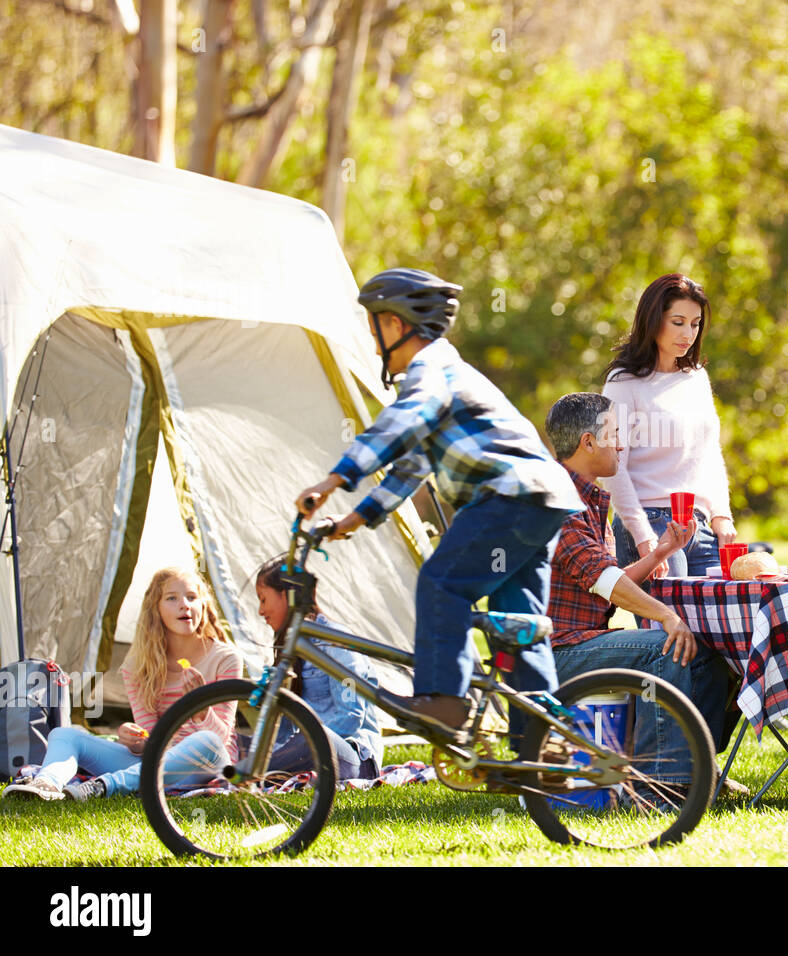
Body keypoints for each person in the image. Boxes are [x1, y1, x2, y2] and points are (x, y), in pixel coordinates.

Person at [295, 268, 582, 744]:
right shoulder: (450, 373)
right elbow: (412, 465)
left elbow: (405, 421)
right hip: (540, 501)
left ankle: (445, 701)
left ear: (396, 324)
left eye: (374, 327)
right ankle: (542, 739)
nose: (372, 341)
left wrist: (334, 479)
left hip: (507, 497)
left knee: (441, 583)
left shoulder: (431, 370)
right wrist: (353, 519)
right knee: (517, 625)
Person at [542, 392, 733, 768]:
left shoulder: (589, 497)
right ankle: (660, 782)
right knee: (663, 645)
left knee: (711, 657)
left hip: (585, 640)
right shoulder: (557, 500)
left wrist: (660, 553)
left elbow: (604, 583)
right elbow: (604, 579)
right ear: (588, 442)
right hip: (557, 650)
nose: (622, 444)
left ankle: (698, 770)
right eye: (615, 433)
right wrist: (665, 615)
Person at [3, 568, 241, 801]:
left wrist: (201, 712)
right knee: (66, 734)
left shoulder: (226, 658)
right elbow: (153, 740)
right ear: (155, 609)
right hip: (158, 766)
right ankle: (47, 784)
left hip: (209, 763)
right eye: (172, 598)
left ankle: (103, 786)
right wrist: (137, 743)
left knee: (205, 741)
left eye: (192, 597)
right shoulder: (138, 665)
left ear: (203, 606)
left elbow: (220, 738)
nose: (185, 605)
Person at [602, 274, 735, 579]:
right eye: (678, 321)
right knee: (670, 627)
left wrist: (721, 514)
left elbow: (710, 455)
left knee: (716, 625)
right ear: (653, 320)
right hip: (651, 522)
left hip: (700, 527)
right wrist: (643, 536)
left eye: (695, 323)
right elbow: (613, 468)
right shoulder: (623, 381)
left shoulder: (696, 377)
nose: (688, 333)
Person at [254, 558, 384, 780]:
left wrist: (299, 742)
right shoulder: (289, 651)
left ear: (286, 595)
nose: (260, 610)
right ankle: (257, 767)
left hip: (353, 759)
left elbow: (351, 716)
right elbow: (282, 729)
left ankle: (254, 771)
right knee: (242, 741)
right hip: (310, 756)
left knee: (310, 734)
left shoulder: (336, 644)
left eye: (264, 599)